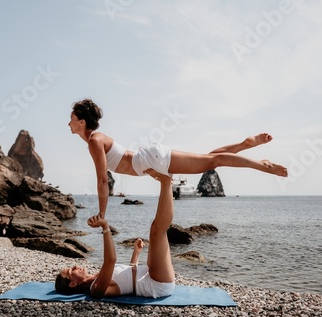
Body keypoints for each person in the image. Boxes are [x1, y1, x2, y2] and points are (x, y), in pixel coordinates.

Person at [68, 98, 288, 220]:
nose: (69, 123)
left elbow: (102, 180)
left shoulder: (95, 141)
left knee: (212, 162)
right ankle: (244, 144)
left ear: (82, 122)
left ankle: (263, 165)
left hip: (150, 160)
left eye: (72, 119)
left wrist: (102, 214)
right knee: (209, 159)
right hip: (149, 159)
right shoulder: (95, 139)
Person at [55, 169, 176, 299]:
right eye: (70, 271)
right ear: (73, 284)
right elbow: (111, 260)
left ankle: (166, 181)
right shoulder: (96, 289)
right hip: (156, 284)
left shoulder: (97, 277)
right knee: (157, 231)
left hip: (148, 273)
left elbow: (127, 276)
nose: (74, 266)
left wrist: (136, 253)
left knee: (155, 230)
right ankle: (167, 181)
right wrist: (105, 227)